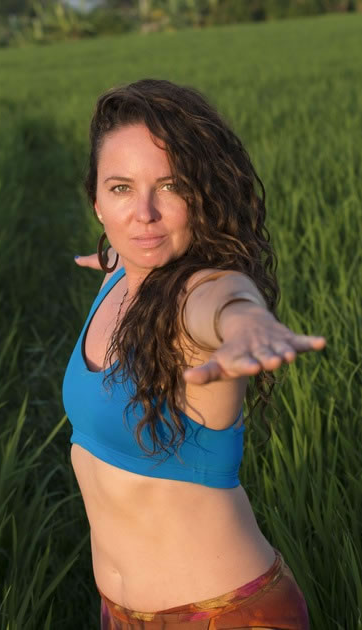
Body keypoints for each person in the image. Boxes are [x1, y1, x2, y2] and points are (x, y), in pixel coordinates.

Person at [63, 79, 324, 629]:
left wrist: (249, 320)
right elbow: (125, 246)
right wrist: (114, 257)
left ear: (201, 196)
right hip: (120, 613)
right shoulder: (123, 274)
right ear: (96, 200)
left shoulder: (195, 291)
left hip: (227, 614)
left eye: (170, 187)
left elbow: (222, 298)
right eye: (120, 189)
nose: (145, 214)